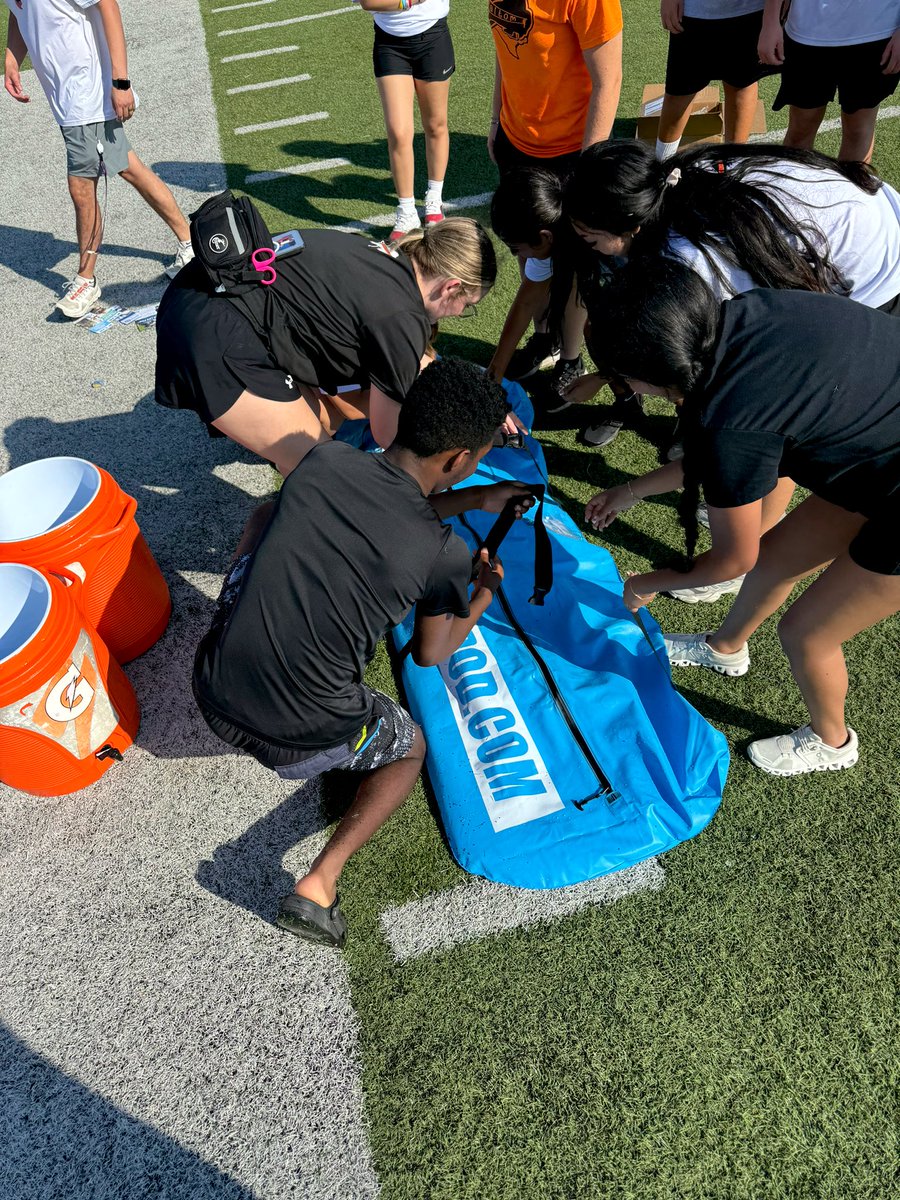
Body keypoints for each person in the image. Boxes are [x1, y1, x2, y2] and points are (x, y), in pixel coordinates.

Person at [193, 358, 533, 946]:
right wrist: (483, 593)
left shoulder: (323, 459)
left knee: (266, 513)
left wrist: (475, 501)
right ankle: (320, 881)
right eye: (475, 459)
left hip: (212, 685)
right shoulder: (446, 557)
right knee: (408, 748)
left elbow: (391, 505)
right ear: (459, 461)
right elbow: (432, 652)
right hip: (295, 732)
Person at [583, 261, 900, 778]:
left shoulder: (729, 418)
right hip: (878, 441)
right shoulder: (744, 313)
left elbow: (734, 556)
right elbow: (728, 461)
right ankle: (725, 647)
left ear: (649, 375)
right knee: (776, 562)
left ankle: (832, 741)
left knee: (807, 633)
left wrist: (647, 583)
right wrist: (631, 489)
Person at [562, 139, 900, 455]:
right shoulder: (681, 175)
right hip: (875, 209)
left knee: (782, 401)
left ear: (633, 226)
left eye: (591, 239)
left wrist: (607, 377)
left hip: (879, 268)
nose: (589, 249)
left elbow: (716, 364)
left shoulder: (694, 265)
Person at [156, 218, 502, 478]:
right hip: (214, 333)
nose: (460, 314)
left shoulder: (382, 257)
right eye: (466, 305)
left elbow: (418, 362)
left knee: (323, 422)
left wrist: (476, 402)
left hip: (200, 292)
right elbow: (390, 434)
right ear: (451, 287)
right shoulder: (401, 316)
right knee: (322, 473)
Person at [3, 0, 194, 319]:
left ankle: (85, 279)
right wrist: (12, 59)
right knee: (129, 167)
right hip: (66, 99)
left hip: (86, 94)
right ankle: (189, 244)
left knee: (81, 188)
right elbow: (18, 10)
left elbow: (108, 5)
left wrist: (121, 82)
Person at [486, 0, 623, 393]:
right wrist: (497, 118)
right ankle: (546, 336)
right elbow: (506, 47)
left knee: (576, 264)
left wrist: (585, 170)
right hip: (516, 143)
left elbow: (608, 81)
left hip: (571, 153)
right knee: (530, 252)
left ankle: (571, 356)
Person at [354, 0, 454, 240]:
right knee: (398, 133)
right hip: (390, 43)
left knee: (435, 124)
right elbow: (369, 3)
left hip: (433, 36)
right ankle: (407, 211)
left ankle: (434, 199)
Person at [759, 0, 900, 162]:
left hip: (877, 30)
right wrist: (770, 20)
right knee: (800, 133)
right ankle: (792, 185)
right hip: (808, 29)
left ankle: (852, 187)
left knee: (858, 131)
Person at [657, 0, 776, 161]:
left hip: (750, 9)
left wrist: (772, 19)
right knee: (680, 89)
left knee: (741, 83)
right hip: (694, 10)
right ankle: (662, 163)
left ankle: (732, 163)